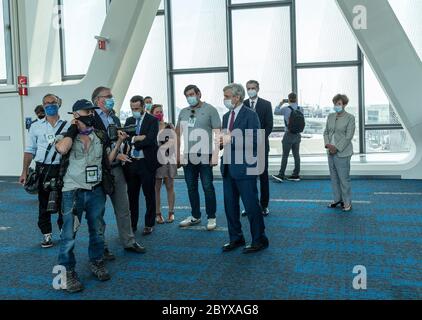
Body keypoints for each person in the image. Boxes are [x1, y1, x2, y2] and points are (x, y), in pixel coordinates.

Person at [55, 99, 114, 293]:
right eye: (86, 111)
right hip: (73, 192)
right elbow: (62, 149)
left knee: (97, 229)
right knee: (69, 234)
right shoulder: (65, 134)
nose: (91, 114)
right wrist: (73, 130)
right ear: (75, 114)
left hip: (96, 190)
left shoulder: (99, 135)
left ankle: (96, 262)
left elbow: (107, 159)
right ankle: (66, 273)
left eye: (92, 111)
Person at [91, 86, 146, 259]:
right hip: (99, 170)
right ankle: (102, 247)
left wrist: (124, 146)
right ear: (97, 100)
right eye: (108, 97)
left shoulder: (113, 117)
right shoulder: (91, 119)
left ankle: (129, 241)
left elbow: (117, 139)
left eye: (111, 97)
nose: (111, 99)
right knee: (98, 212)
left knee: (123, 208)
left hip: (116, 168)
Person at [220, 83, 269, 254]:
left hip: (245, 167)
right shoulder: (226, 116)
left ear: (237, 97)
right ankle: (236, 238)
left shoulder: (250, 115)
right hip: (228, 167)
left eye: (227, 96)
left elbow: (255, 141)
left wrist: (230, 141)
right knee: (230, 206)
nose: (224, 99)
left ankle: (259, 239)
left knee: (251, 206)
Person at [19, 94, 70, 248]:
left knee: (64, 203)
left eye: (53, 102)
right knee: (43, 204)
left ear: (59, 103)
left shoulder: (68, 126)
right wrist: (24, 171)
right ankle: (46, 235)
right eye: (46, 103)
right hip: (43, 169)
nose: (49, 105)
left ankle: (64, 231)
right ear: (43, 105)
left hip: (63, 168)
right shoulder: (35, 126)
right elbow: (29, 151)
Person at [176, 85, 221, 231]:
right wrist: (177, 154)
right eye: (187, 95)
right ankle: (195, 216)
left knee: (207, 187)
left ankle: (211, 217)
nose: (190, 97)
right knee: (191, 187)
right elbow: (177, 135)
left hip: (205, 154)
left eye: (192, 94)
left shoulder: (210, 110)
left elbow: (218, 134)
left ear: (199, 93)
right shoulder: (183, 112)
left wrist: (215, 155)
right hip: (188, 156)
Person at [123, 96, 160, 235]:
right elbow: (126, 137)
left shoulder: (152, 120)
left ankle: (149, 223)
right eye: (132, 109)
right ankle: (132, 224)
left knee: (149, 194)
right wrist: (137, 138)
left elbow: (150, 140)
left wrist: (134, 139)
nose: (134, 111)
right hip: (132, 162)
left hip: (147, 163)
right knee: (132, 196)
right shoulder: (129, 120)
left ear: (144, 107)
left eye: (137, 108)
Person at [243, 80, 273, 217]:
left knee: (263, 176)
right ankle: (250, 205)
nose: (251, 90)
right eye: (248, 88)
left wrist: (258, 140)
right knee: (249, 178)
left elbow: (269, 125)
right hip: (246, 146)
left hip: (261, 145)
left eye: (253, 88)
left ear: (258, 89)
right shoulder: (243, 104)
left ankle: (264, 206)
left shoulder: (266, 104)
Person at [324, 94, 355, 212]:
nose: (336, 106)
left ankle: (347, 202)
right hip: (330, 151)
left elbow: (348, 136)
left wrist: (336, 148)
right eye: (335, 104)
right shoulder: (330, 116)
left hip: (342, 152)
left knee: (344, 178)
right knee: (334, 177)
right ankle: (337, 199)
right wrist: (328, 145)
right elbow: (326, 132)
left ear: (344, 105)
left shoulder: (350, 118)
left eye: (339, 104)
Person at [151, 104, 177, 224]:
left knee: (170, 186)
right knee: (156, 188)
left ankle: (171, 213)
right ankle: (158, 214)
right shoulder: (150, 126)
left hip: (168, 160)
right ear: (152, 113)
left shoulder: (169, 126)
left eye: (161, 111)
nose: (159, 114)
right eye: (157, 112)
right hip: (155, 162)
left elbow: (174, 142)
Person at [272, 93, 304, 182]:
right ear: (296, 99)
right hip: (297, 135)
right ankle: (296, 175)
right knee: (296, 155)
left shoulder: (286, 109)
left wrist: (281, 103)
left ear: (289, 99)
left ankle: (281, 175)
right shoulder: (300, 108)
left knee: (285, 156)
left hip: (288, 134)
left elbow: (275, 111)